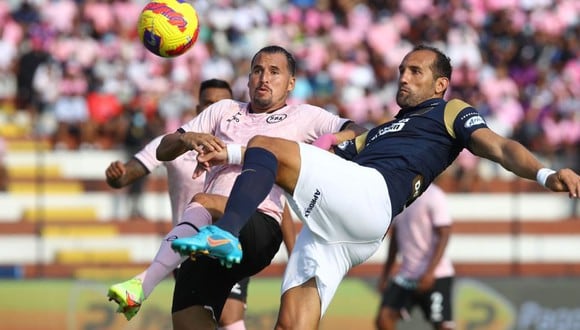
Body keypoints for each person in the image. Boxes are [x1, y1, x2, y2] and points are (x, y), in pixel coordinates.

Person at [171, 44, 580, 329]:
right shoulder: (379, 132)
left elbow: (501, 147)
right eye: (402, 69)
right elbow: (324, 166)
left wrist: (545, 174)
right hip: (345, 226)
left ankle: (225, 235)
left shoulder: (449, 111)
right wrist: (233, 155)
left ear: (440, 84)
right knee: (292, 322)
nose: (403, 76)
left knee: (265, 144)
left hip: (372, 197)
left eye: (415, 71)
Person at [119, 45, 364, 330]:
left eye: (274, 72)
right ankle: (148, 284)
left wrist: (330, 141)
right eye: (258, 70)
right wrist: (187, 139)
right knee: (188, 319)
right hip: (206, 238)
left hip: (258, 225)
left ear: (291, 83)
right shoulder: (223, 110)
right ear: (247, 79)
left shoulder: (305, 117)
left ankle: (143, 284)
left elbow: (358, 131)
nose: (264, 78)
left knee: (204, 201)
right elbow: (163, 150)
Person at [106, 79, 283, 329]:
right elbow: (130, 172)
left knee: (229, 316)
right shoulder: (177, 144)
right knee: (190, 321)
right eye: (209, 103)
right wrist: (117, 176)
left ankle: (143, 284)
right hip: (182, 250)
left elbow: (273, 201)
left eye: (222, 103)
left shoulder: (243, 146)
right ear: (199, 107)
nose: (216, 108)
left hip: (229, 242)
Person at [375, 183, 455, 330]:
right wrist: (386, 274)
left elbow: (445, 233)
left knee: (442, 325)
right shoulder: (400, 194)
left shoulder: (434, 195)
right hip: (407, 275)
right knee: (384, 317)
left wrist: (430, 272)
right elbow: (395, 240)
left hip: (436, 275)